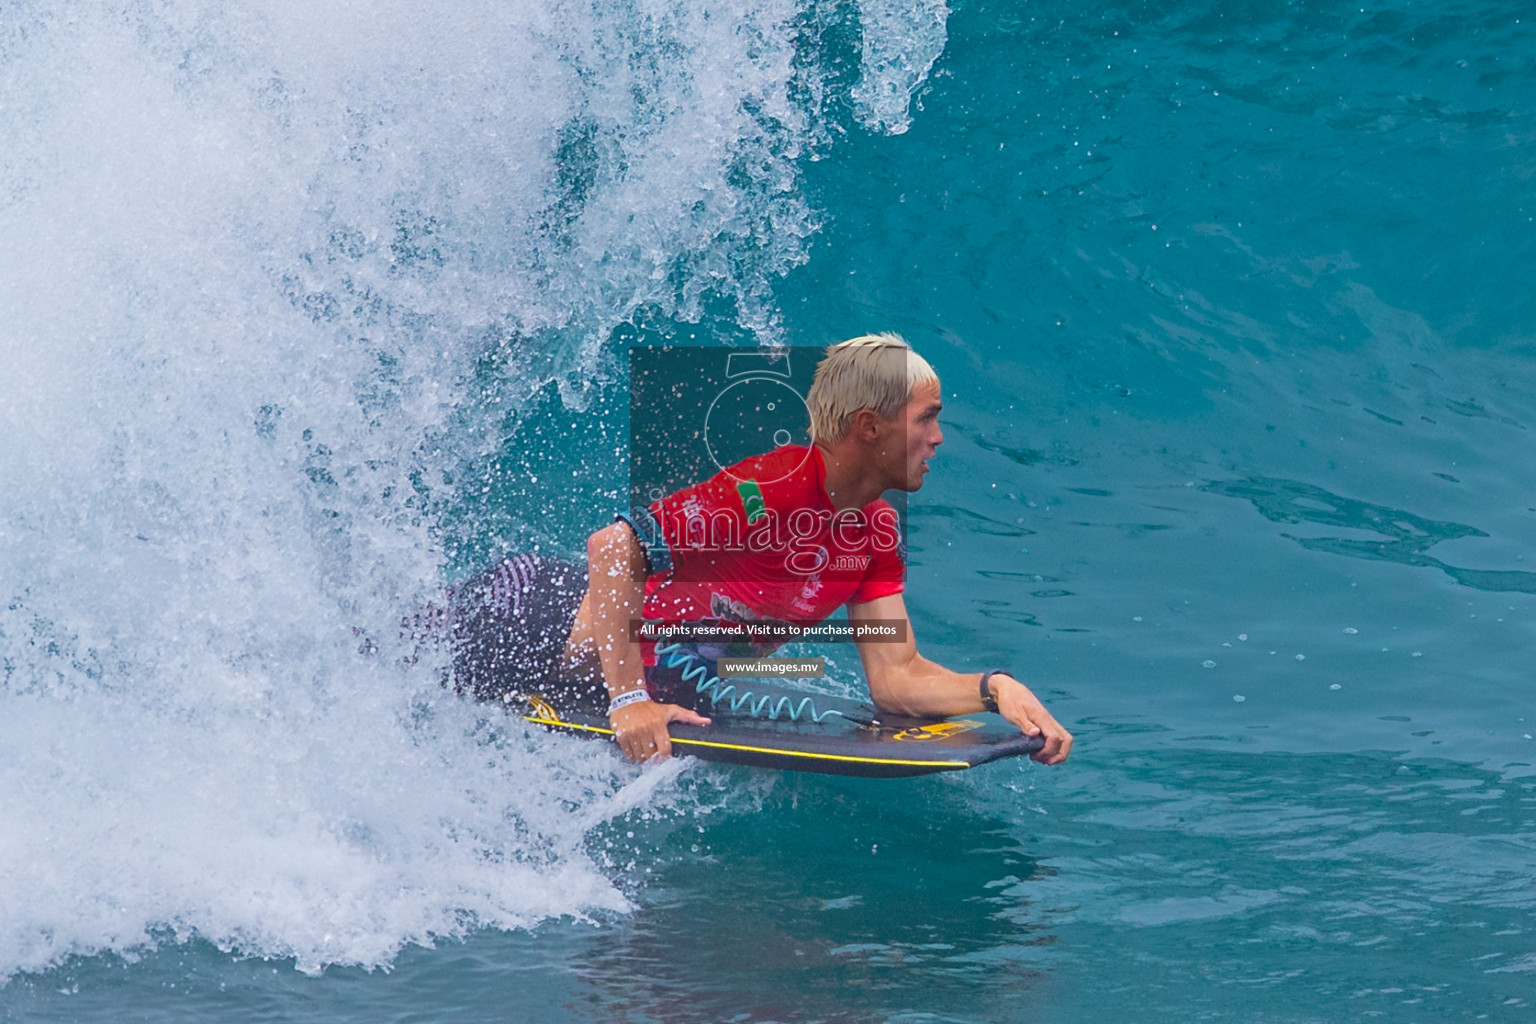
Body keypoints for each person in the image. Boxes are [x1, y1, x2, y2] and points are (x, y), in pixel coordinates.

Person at [448, 333, 1073, 767]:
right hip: (522, 618)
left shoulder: (875, 532)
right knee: (375, 673)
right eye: (926, 419)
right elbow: (613, 548)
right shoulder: (770, 490)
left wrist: (995, 689)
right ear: (869, 427)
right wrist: (630, 701)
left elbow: (896, 679)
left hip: (612, 671)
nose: (938, 439)